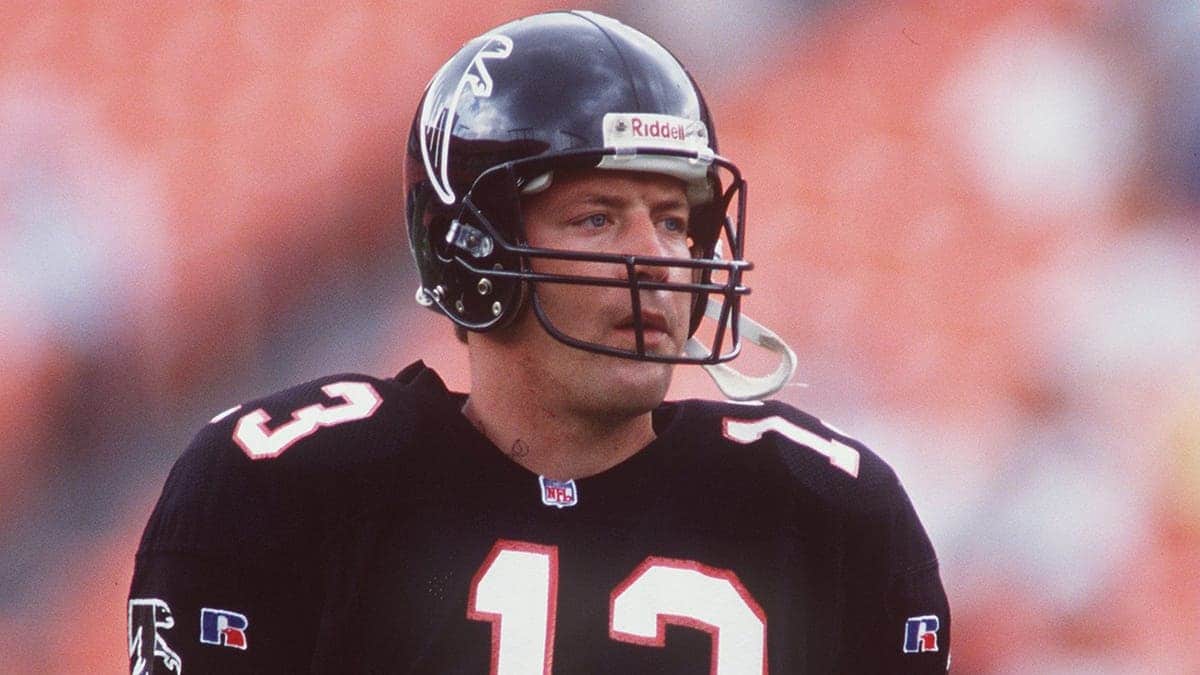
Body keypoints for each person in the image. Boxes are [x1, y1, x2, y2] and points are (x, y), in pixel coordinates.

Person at [128, 10, 949, 674]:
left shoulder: (825, 511)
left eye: (673, 220)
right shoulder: (291, 487)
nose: (659, 260)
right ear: (474, 246)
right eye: (597, 217)